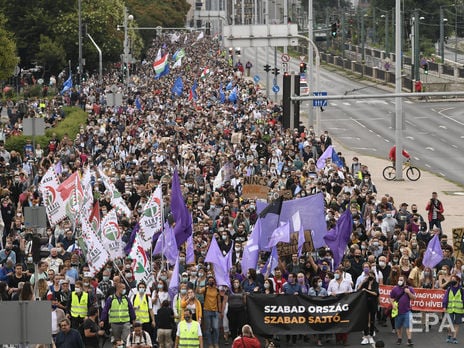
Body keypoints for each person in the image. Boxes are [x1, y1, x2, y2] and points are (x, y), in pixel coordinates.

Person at [390, 275, 416, 346]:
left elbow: (414, 298)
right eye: (399, 280)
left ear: (404, 281)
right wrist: (393, 304)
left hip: (407, 311)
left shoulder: (409, 288)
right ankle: (399, 338)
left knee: (408, 326)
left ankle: (409, 340)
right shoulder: (395, 289)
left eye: (401, 280)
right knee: (398, 326)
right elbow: (391, 298)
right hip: (398, 311)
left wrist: (408, 292)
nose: (399, 281)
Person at [359, 270, 379, 345]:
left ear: (374, 276)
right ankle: (365, 335)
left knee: (372, 320)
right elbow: (358, 289)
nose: (370, 276)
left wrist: (366, 291)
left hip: (373, 303)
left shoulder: (375, 284)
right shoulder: (365, 283)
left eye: (371, 275)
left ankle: (370, 335)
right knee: (365, 320)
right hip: (365, 303)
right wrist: (362, 282)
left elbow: (375, 293)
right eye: (368, 275)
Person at [442, 275, 464, 344]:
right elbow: (445, 298)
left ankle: (454, 338)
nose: (452, 281)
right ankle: (449, 335)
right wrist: (444, 306)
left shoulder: (461, 289)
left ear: (458, 281)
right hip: (450, 309)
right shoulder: (449, 289)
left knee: (457, 324)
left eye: (454, 279)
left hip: (459, 309)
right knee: (450, 325)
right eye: (452, 279)